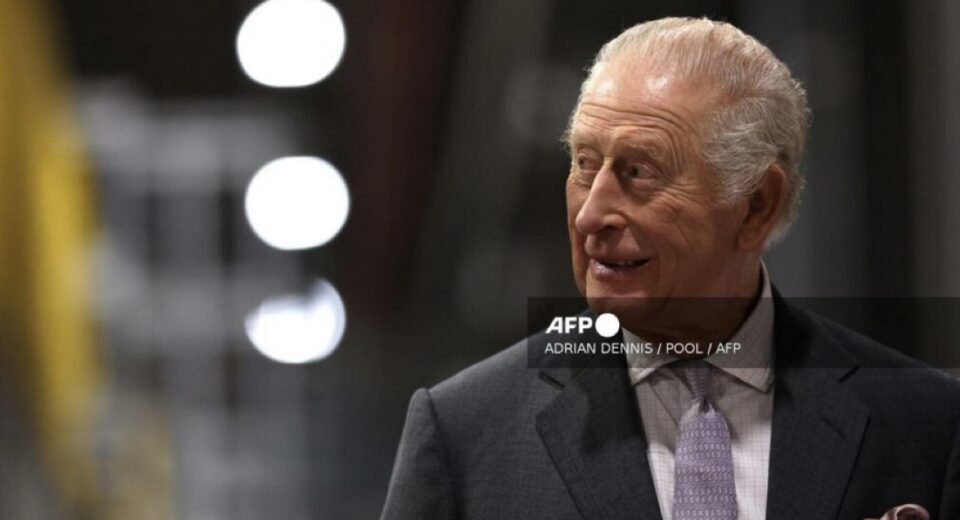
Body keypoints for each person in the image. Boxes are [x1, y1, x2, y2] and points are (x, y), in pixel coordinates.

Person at [380, 17, 960, 520]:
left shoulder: (926, 423)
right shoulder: (464, 432)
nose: (591, 214)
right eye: (584, 164)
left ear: (756, 206)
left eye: (639, 172)